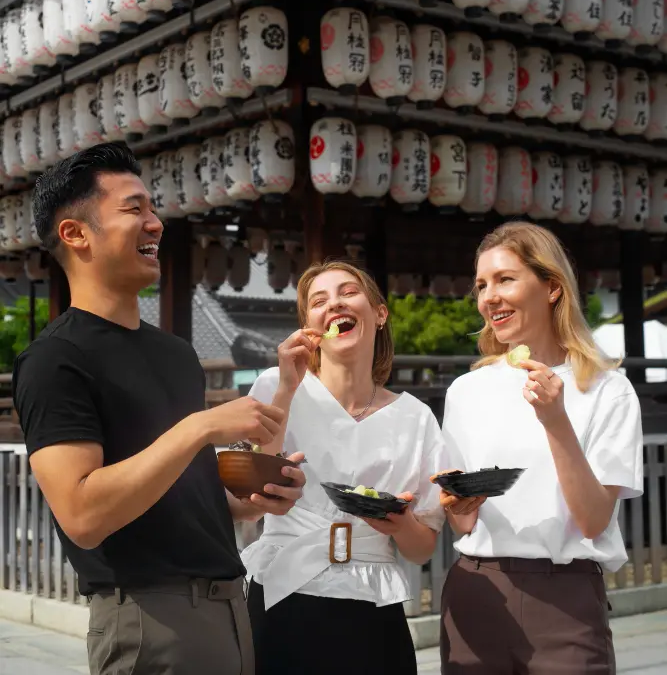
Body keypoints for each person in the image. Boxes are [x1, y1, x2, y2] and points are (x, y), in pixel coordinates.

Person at [12, 144, 307, 675]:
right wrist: (198, 428)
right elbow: (81, 515)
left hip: (229, 609)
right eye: (133, 209)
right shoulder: (54, 360)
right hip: (150, 623)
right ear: (76, 234)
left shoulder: (176, 355)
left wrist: (253, 497)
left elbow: (188, 496)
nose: (155, 224)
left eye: (152, 209)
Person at [437, 221, 643, 674]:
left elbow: (593, 519)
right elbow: (462, 519)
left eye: (505, 279)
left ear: (551, 287)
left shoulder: (608, 390)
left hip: (565, 599)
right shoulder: (467, 390)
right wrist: (457, 503)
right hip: (475, 590)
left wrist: (556, 420)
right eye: (481, 285)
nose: (488, 297)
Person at [241, 259, 447, 675]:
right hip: (283, 591)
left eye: (348, 293)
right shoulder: (275, 386)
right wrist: (285, 386)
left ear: (380, 313)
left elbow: (422, 547)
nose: (335, 305)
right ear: (310, 326)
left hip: (372, 600)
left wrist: (400, 523)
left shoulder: (417, 416)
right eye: (319, 301)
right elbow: (249, 489)